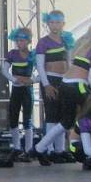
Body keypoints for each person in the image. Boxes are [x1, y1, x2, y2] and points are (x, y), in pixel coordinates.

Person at [33, 17, 91, 165]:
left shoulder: (84, 46)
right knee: (90, 115)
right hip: (77, 86)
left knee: (66, 121)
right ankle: (90, 153)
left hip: (65, 83)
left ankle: (40, 148)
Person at [35, 10, 75, 160]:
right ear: (48, 23)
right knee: (51, 116)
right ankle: (49, 149)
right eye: (52, 22)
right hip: (50, 80)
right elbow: (40, 65)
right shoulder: (43, 42)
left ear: (63, 24)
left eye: (58, 22)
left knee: (62, 116)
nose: (55, 25)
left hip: (64, 81)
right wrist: (46, 85)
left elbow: (69, 62)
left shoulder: (67, 41)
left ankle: (59, 150)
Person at [2, 27, 36, 161]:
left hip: (27, 89)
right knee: (13, 117)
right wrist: (15, 79)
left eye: (22, 40)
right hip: (16, 89)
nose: (19, 43)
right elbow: (4, 70)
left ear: (28, 41)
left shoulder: (33, 55)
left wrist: (31, 80)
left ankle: (28, 149)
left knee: (28, 119)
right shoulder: (12, 54)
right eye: (18, 40)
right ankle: (16, 148)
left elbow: (41, 71)